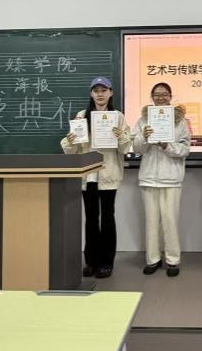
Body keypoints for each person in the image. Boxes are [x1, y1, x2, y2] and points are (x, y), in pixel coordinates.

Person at [61, 76, 131, 279]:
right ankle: (91, 261)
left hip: (109, 174)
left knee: (107, 218)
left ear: (111, 93)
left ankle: (107, 263)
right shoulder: (82, 116)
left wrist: (120, 136)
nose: (100, 94)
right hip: (88, 175)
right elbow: (73, 149)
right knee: (91, 219)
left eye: (104, 90)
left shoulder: (118, 117)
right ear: (91, 94)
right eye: (96, 91)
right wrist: (70, 140)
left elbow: (126, 148)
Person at [132, 82, 191, 277]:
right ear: (152, 97)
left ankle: (173, 260)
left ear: (171, 97)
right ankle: (153, 259)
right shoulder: (143, 120)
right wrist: (144, 137)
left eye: (165, 94)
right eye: (157, 94)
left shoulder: (181, 121)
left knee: (170, 221)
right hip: (148, 177)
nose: (161, 98)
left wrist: (167, 145)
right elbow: (136, 148)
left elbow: (185, 149)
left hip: (171, 178)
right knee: (151, 222)